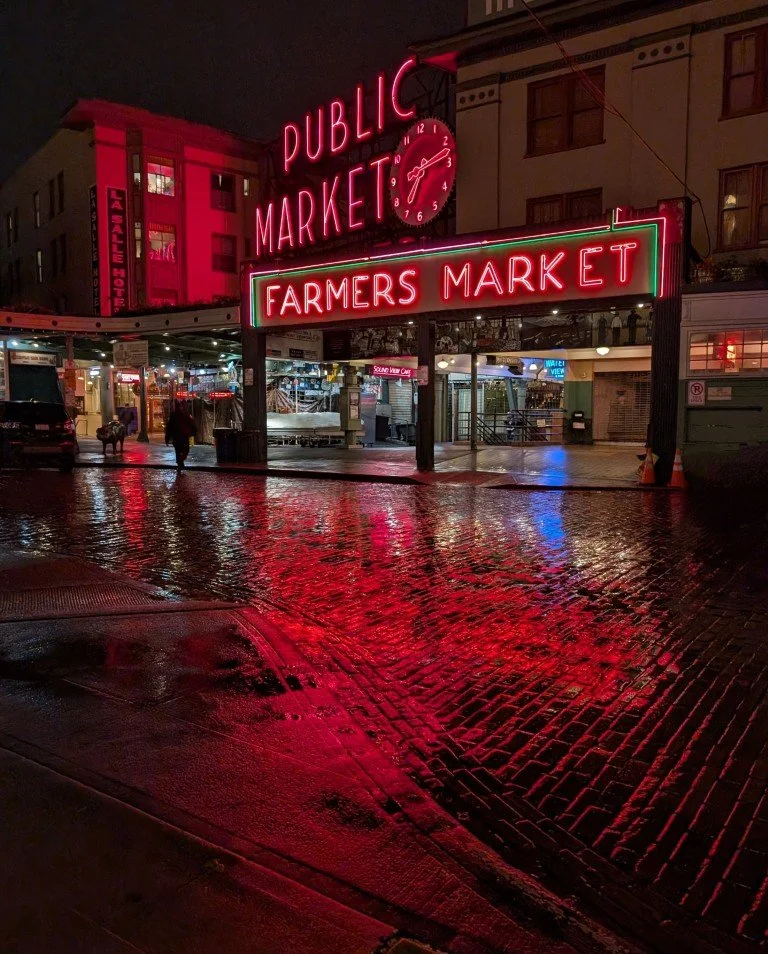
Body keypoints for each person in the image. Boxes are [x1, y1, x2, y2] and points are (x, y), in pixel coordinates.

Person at [165, 402, 196, 470]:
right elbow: (191, 424)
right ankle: (180, 462)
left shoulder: (173, 415)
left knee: (178, 451)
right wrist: (193, 432)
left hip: (176, 437)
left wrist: (167, 438)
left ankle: (180, 464)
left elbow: (169, 428)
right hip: (184, 436)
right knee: (186, 449)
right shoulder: (185, 414)